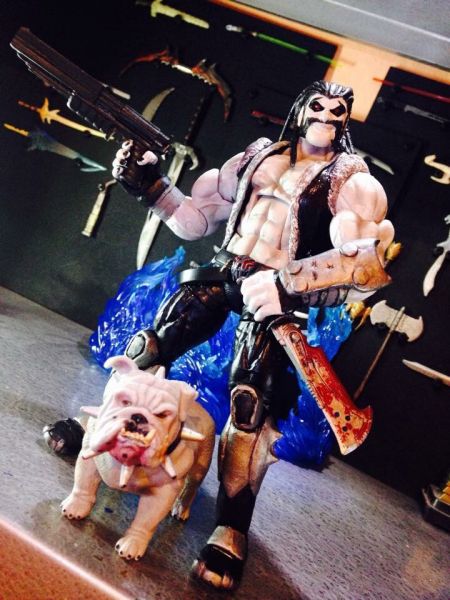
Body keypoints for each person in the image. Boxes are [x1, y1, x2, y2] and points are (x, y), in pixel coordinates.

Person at [46, 81, 394, 590]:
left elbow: (363, 266)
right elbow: (195, 221)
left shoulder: (352, 180)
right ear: (300, 110)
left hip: (277, 294)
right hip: (227, 270)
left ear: (346, 121)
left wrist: (288, 284)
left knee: (249, 407)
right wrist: (150, 185)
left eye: (338, 111)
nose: (326, 116)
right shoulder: (257, 156)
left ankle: (231, 529)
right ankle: (98, 438)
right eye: (317, 106)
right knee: (146, 351)